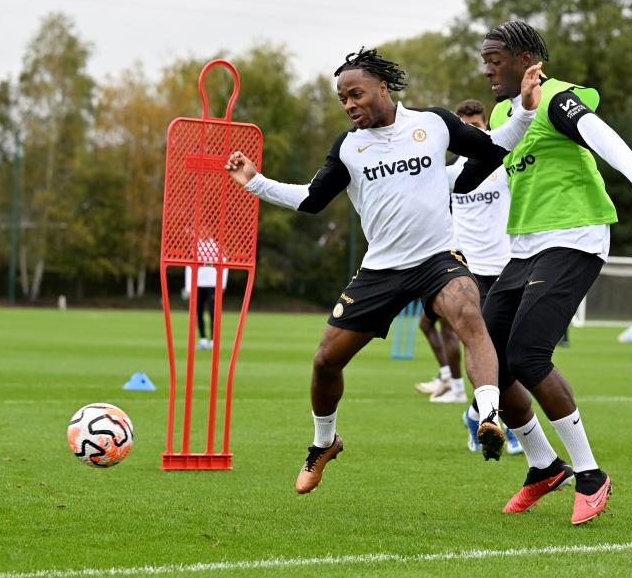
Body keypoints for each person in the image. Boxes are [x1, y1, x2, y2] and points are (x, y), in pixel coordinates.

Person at [224, 47, 543, 494]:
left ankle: (488, 414)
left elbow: (492, 147)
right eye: (342, 99)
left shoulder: (433, 123)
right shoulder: (348, 147)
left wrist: (525, 110)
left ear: (382, 87)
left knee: (470, 316)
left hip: (437, 259)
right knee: (326, 361)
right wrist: (255, 182)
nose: (349, 104)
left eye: (356, 94)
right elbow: (312, 200)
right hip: (381, 270)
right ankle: (324, 442)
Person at [478, 21, 632, 524]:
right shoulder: (504, 113)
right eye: (484, 60)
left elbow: (600, 135)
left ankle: (590, 474)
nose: (487, 69)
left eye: (495, 59)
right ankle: (543, 466)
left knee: (529, 355)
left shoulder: (557, 97)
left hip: (575, 237)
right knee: (492, 362)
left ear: (527, 60)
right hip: (524, 246)